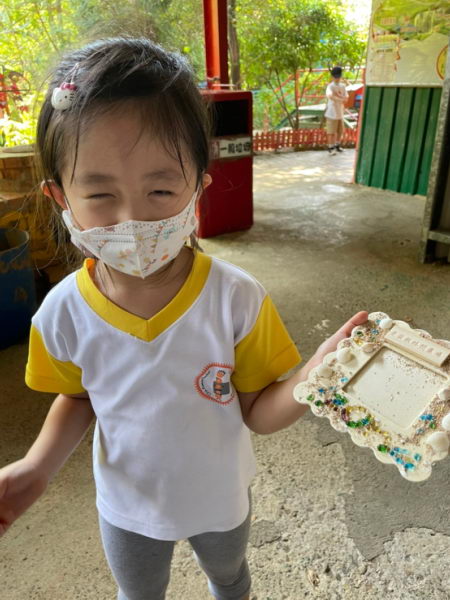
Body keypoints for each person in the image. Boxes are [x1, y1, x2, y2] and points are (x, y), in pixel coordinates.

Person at [0, 38, 367, 600]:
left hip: (220, 501)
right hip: (127, 508)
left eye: (161, 189)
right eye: (99, 193)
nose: (132, 218)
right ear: (60, 197)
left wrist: (317, 374)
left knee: (230, 579)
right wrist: (37, 467)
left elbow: (259, 413)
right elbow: (79, 397)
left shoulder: (236, 298)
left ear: (199, 185)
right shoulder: (62, 313)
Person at [324, 66, 348, 156]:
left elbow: (346, 97)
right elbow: (329, 95)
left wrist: (341, 98)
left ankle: (337, 145)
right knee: (331, 131)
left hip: (340, 112)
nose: (337, 78)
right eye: (335, 77)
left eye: (338, 76)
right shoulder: (330, 86)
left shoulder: (342, 86)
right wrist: (340, 98)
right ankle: (331, 147)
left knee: (340, 130)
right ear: (332, 77)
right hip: (332, 112)